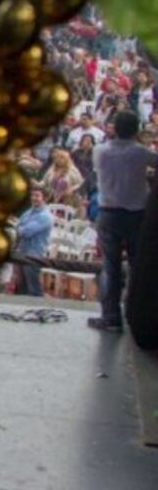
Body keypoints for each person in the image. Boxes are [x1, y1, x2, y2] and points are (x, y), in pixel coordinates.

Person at [90, 111, 158, 331]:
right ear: (137, 130)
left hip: (108, 213)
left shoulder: (99, 151)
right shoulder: (142, 153)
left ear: (114, 128)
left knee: (110, 266)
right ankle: (136, 312)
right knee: (139, 266)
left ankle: (110, 317)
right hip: (137, 216)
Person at [15, 188, 54, 297]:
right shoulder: (27, 213)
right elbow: (19, 227)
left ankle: (40, 308)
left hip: (34, 254)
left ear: (44, 198)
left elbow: (26, 232)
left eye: (37, 196)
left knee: (34, 287)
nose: (34, 198)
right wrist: (20, 228)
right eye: (32, 196)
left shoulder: (46, 217)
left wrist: (20, 228)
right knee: (22, 287)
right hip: (22, 252)